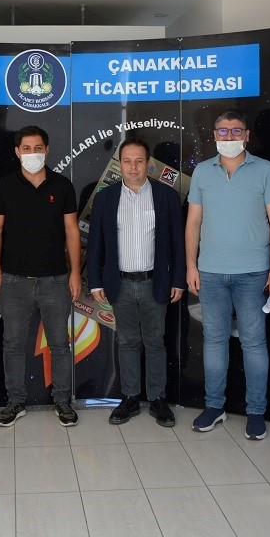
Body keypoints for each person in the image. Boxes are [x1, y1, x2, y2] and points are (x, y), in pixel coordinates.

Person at [185, 110, 270, 439]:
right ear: (214, 135)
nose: (229, 137)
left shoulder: (265, 170)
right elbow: (193, 223)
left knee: (254, 342)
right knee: (214, 341)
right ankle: (214, 407)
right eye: (223, 131)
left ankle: (256, 412)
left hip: (254, 273)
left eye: (236, 131)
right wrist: (191, 265)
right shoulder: (202, 172)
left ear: (246, 135)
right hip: (211, 272)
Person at [87, 140, 185, 427]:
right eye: (127, 161)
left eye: (139, 161)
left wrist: (178, 279)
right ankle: (130, 397)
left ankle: (157, 399)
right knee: (128, 342)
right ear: (120, 164)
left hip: (156, 282)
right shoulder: (105, 198)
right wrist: (95, 283)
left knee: (155, 342)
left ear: (148, 164)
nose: (133, 167)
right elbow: (95, 245)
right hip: (120, 284)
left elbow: (177, 243)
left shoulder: (166, 196)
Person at [0, 125, 81, 427]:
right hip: (14, 280)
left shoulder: (62, 186)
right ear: (17, 152)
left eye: (38, 148)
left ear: (47, 150)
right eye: (26, 148)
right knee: (13, 344)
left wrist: (75, 273)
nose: (33, 153)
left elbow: (71, 231)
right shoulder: (4, 186)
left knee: (60, 344)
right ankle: (15, 401)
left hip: (55, 279)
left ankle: (63, 401)